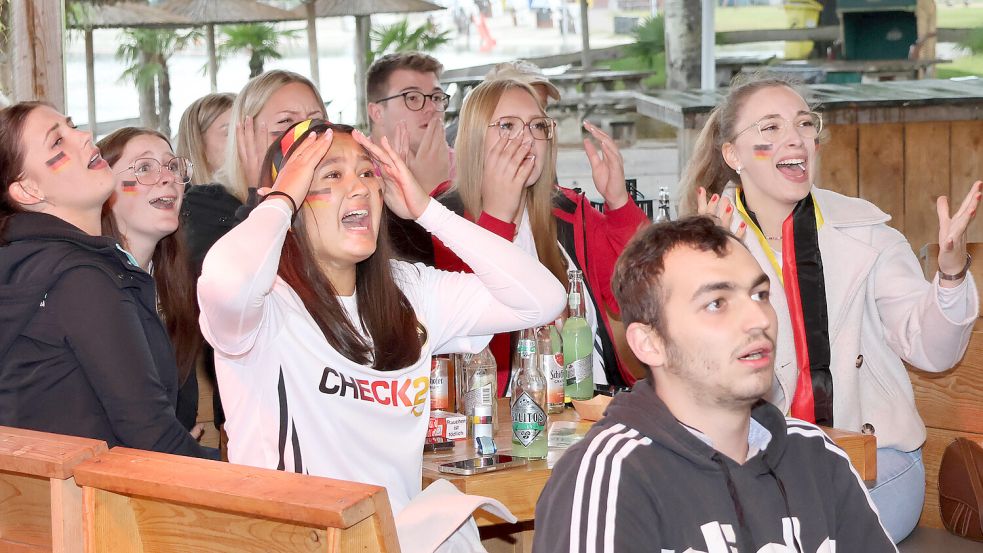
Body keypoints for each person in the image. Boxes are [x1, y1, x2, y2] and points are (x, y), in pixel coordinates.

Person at [197, 120, 565, 522]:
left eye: (368, 173)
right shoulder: (265, 306)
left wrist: (428, 212)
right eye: (331, 174)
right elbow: (226, 281)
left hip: (401, 536)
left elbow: (543, 300)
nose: (358, 188)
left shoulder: (408, 291)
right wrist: (281, 200)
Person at [678, 74, 980, 543]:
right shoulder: (705, 246)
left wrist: (952, 272)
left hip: (878, 465)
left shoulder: (868, 233)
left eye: (804, 123)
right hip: (756, 468)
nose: (795, 137)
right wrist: (715, 275)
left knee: (798, 535)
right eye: (770, 128)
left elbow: (934, 352)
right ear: (733, 154)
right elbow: (696, 381)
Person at [534, 216, 896, 552]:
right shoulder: (611, 480)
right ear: (649, 343)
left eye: (760, 295)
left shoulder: (817, 456)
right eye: (716, 303)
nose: (758, 319)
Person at [0, 102, 212, 459]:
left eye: (73, 126)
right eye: (57, 142)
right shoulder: (79, 276)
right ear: (28, 191)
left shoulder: (30, 263)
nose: (83, 137)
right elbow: (152, 437)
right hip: (90, 505)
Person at [436, 78, 648, 390]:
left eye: (537, 126)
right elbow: (466, 328)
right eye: (508, 126)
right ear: (473, 138)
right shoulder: (444, 216)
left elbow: (633, 297)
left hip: (593, 408)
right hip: (502, 418)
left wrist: (618, 204)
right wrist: (497, 219)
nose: (527, 139)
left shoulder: (569, 209)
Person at [98, 127, 203, 437]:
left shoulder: (177, 282)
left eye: (172, 166)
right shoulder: (91, 287)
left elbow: (183, 410)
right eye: (144, 168)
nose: (168, 177)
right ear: (104, 189)